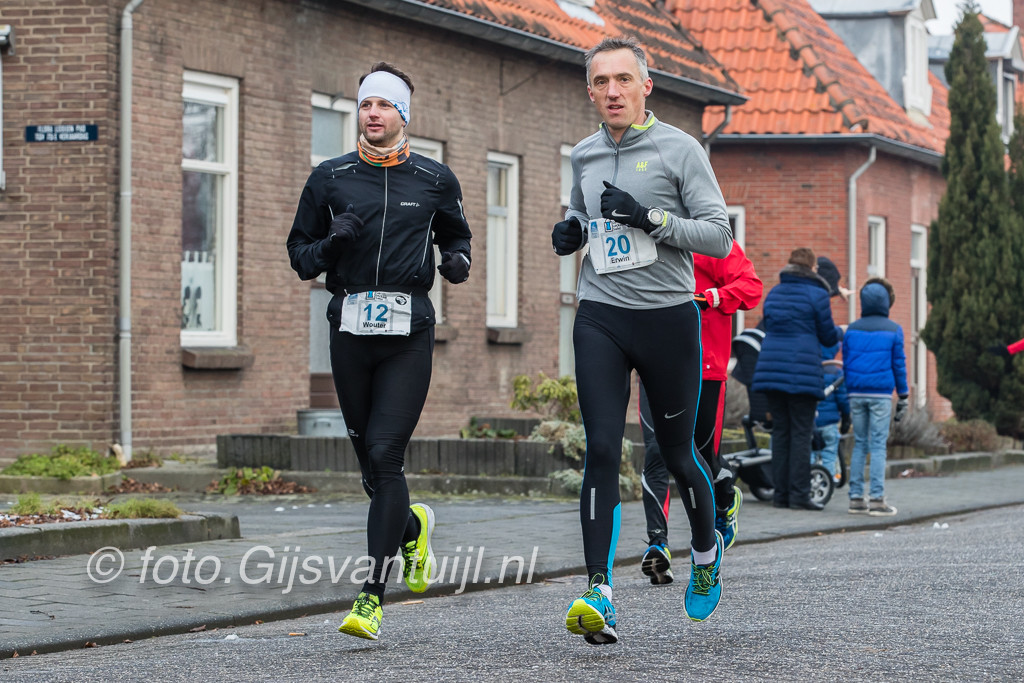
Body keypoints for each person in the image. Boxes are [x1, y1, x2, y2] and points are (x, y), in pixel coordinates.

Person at [552, 37, 733, 643]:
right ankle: (598, 591)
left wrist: (649, 218)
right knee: (602, 449)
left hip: (666, 319)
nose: (613, 91)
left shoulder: (681, 149)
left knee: (679, 455)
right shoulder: (583, 154)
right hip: (601, 315)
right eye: (601, 82)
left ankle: (704, 554)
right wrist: (570, 232)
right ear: (590, 91)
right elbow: (582, 216)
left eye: (623, 79)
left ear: (645, 86)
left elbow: (719, 237)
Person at [286, 62, 472, 640]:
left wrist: (457, 261)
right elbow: (299, 256)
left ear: (402, 115)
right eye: (365, 104)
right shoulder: (330, 177)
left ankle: (371, 596)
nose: (372, 113)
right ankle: (412, 528)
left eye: (384, 105)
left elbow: (457, 235)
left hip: (407, 334)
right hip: (350, 332)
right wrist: (331, 243)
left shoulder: (434, 178)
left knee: (386, 453)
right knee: (370, 465)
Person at [637, 241, 762, 586]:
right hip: (656, 364)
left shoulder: (712, 244)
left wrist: (712, 297)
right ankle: (657, 543)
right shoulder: (644, 242)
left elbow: (751, 288)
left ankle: (724, 501)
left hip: (706, 367)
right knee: (656, 452)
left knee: (703, 457)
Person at [752, 247, 843, 511]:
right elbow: (828, 336)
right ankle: (799, 495)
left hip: (771, 369)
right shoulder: (818, 295)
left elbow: (769, 325)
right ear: (812, 268)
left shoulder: (774, 293)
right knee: (801, 433)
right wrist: (841, 332)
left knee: (781, 433)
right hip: (802, 372)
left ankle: (780, 495)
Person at [843, 278, 908, 517]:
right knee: (878, 445)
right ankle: (877, 500)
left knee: (860, 443)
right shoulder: (894, 329)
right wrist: (903, 394)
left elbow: (846, 362)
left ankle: (856, 499)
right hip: (880, 394)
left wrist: (849, 390)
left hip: (856, 393)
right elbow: (898, 365)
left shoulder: (852, 329)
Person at [812, 346, 851, 484]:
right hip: (829, 423)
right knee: (829, 454)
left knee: (810, 454)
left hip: (811, 422)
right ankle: (827, 484)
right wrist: (846, 419)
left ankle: (809, 482)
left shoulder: (809, 370)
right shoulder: (836, 372)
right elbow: (843, 400)